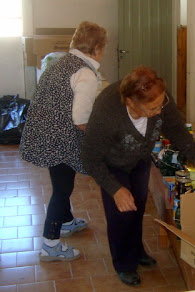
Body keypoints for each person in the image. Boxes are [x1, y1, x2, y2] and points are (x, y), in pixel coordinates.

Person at [81, 66, 195, 286]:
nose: (158, 110)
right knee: (120, 212)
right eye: (152, 108)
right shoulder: (108, 111)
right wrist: (114, 189)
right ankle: (124, 263)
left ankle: (136, 250)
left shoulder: (160, 98)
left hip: (140, 159)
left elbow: (176, 129)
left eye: (160, 104)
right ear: (131, 102)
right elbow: (89, 157)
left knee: (138, 207)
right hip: (112, 163)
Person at [19, 21, 107, 261]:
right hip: (60, 138)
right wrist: (101, 136)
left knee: (60, 182)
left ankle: (66, 221)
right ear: (97, 47)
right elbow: (81, 119)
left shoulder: (60, 61)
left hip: (44, 132)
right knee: (62, 188)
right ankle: (50, 243)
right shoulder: (86, 74)